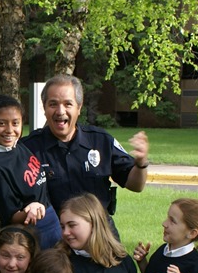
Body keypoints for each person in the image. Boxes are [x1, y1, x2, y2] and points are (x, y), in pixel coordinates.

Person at [20, 74, 149, 231]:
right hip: (54, 237)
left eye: (68, 104)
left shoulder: (101, 141)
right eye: (53, 104)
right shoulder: (27, 149)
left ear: (79, 108)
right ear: (44, 108)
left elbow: (136, 185)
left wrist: (141, 164)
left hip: (99, 234)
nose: (60, 111)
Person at [0, 94, 60, 249]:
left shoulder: (15, 145)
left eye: (15, 123)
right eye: (1, 124)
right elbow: (11, 216)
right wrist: (31, 210)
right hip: (32, 232)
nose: (9, 130)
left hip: (51, 220)